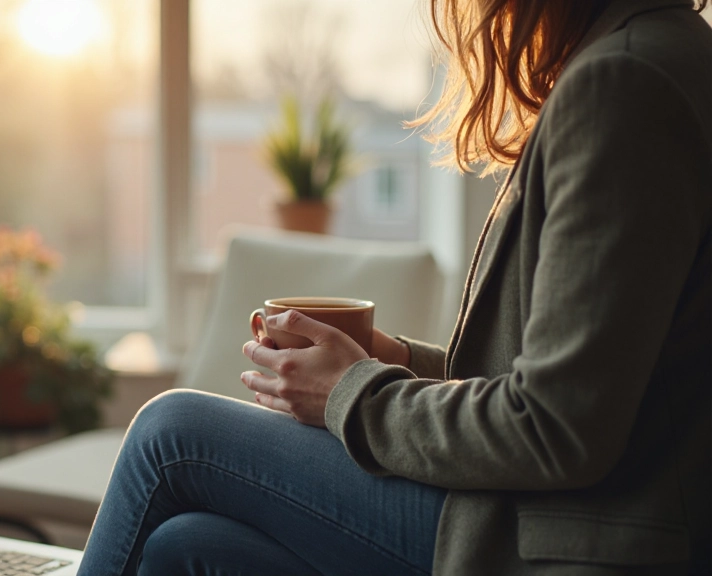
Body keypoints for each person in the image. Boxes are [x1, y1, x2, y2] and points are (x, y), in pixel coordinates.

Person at [77, 0, 711, 573]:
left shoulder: (623, 84)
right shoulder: (664, 55)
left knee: (172, 432)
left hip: (558, 540)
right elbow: (583, 385)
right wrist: (399, 362)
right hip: (555, 516)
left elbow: (556, 428)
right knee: (184, 547)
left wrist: (352, 391)